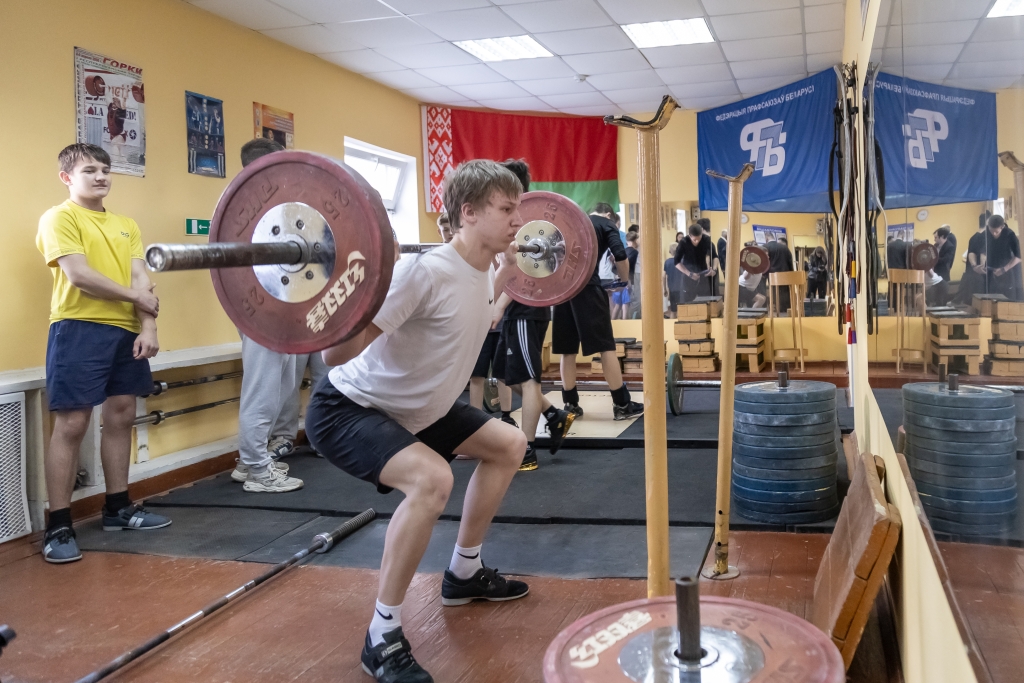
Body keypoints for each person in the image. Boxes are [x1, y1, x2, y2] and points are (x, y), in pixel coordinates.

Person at [305, 160, 531, 683]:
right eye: (506, 208)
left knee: (509, 444)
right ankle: (381, 634)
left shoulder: (482, 269)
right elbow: (338, 357)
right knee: (432, 480)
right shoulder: (423, 272)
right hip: (350, 408)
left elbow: (481, 320)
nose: (518, 218)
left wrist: (507, 282)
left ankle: (464, 572)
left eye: (517, 207)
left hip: (418, 409)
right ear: (468, 214)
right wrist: (343, 297)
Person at [35, 143, 171, 564]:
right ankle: (58, 525)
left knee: (122, 414)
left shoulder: (126, 224)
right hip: (78, 328)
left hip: (126, 332)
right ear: (67, 178)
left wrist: (148, 326)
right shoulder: (60, 217)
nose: (100, 176)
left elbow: (141, 280)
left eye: (106, 169)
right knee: (73, 422)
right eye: (90, 170)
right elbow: (79, 275)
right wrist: (137, 297)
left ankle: (117, 508)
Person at [489, 159, 575, 472]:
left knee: (527, 379)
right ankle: (554, 414)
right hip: (513, 309)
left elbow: (524, 275)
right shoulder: (508, 221)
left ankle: (526, 448)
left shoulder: (529, 222)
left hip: (526, 309)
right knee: (506, 375)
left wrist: (496, 308)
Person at [230, 138, 305, 493]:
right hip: (259, 309)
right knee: (262, 389)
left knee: (282, 387)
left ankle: (250, 462)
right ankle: (257, 469)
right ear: (258, 167)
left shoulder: (280, 206)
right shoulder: (242, 207)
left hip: (285, 306)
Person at [553, 203, 644, 421]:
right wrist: (623, 281)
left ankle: (570, 404)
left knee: (568, 349)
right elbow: (620, 255)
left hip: (563, 290)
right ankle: (622, 404)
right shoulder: (606, 224)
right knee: (605, 347)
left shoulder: (572, 220)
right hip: (588, 287)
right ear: (611, 216)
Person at [984, 215, 1021, 301]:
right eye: (991, 231)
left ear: (1002, 227)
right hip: (990, 271)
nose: (994, 234)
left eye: (996, 232)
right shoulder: (987, 233)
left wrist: (1004, 269)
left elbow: (1019, 256)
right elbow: (981, 250)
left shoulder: (1010, 235)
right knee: (990, 299)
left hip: (1006, 271)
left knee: (1007, 301)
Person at [674, 223, 713, 303]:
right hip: (688, 275)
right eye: (694, 239)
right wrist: (689, 274)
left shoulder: (706, 239)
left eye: (699, 238)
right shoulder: (683, 242)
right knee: (688, 303)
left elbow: (713, 255)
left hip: (703, 274)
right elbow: (676, 262)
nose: (697, 241)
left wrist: (712, 267)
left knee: (705, 303)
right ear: (690, 235)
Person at [955, 221, 990, 304]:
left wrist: (974, 266)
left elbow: (970, 253)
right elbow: (982, 253)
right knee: (977, 302)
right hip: (979, 275)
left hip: (973, 273)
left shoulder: (973, 237)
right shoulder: (984, 237)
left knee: (972, 302)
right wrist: (980, 266)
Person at [767, 236, 794, 313]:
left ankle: (777, 308)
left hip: (773, 273)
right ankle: (785, 308)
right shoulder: (785, 249)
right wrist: (791, 273)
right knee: (785, 291)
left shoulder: (769, 247)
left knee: (775, 292)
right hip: (785, 272)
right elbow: (790, 262)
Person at [663, 244, 684, 318]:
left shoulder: (667, 262)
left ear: (669, 252)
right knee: (682, 310)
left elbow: (664, 276)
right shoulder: (683, 261)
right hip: (682, 289)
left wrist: (665, 289)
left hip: (672, 289)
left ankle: (671, 327)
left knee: (673, 310)